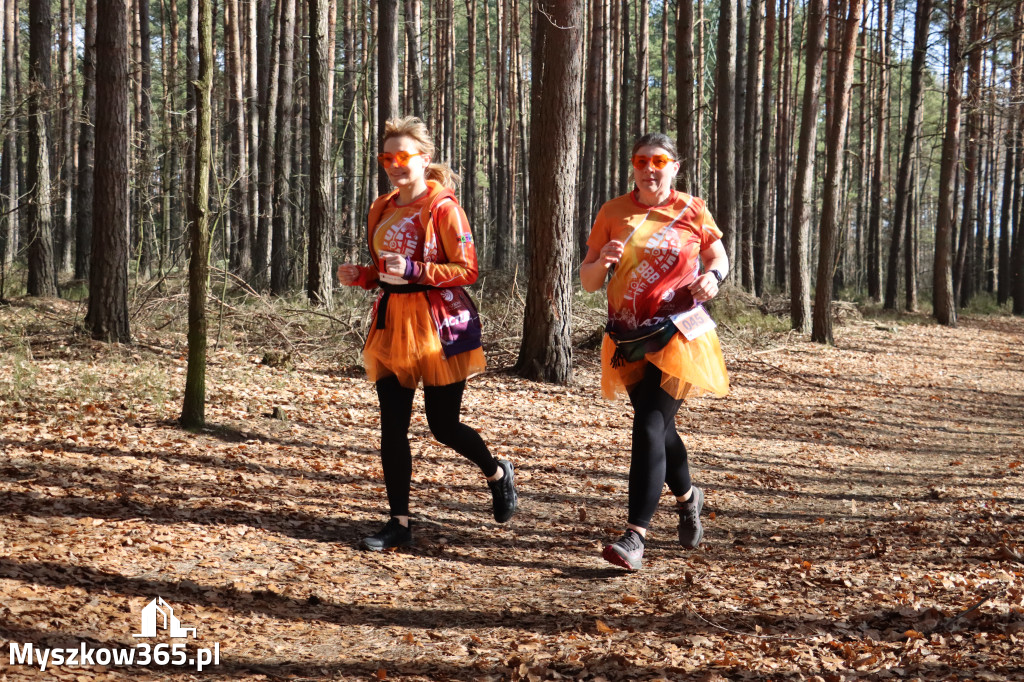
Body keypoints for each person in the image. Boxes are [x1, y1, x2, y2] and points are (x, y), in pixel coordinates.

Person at [337, 116, 517, 551]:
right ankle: (398, 522)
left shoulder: (444, 207)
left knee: (443, 425)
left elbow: (467, 270)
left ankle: (496, 472)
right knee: (391, 427)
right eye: (388, 157)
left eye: (405, 156)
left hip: (437, 326)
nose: (396, 164)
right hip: (390, 324)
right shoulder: (381, 207)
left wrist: (417, 269)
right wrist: (363, 276)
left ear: (424, 158)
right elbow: (385, 273)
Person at [579, 132, 730, 571]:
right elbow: (588, 282)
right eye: (641, 160)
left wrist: (713, 279)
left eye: (659, 160)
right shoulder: (613, 211)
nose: (649, 168)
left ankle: (635, 536)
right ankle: (688, 498)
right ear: (633, 166)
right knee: (661, 431)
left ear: (674, 167)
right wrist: (601, 262)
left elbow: (718, 257)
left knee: (648, 424)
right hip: (628, 337)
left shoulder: (691, 209)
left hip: (680, 333)